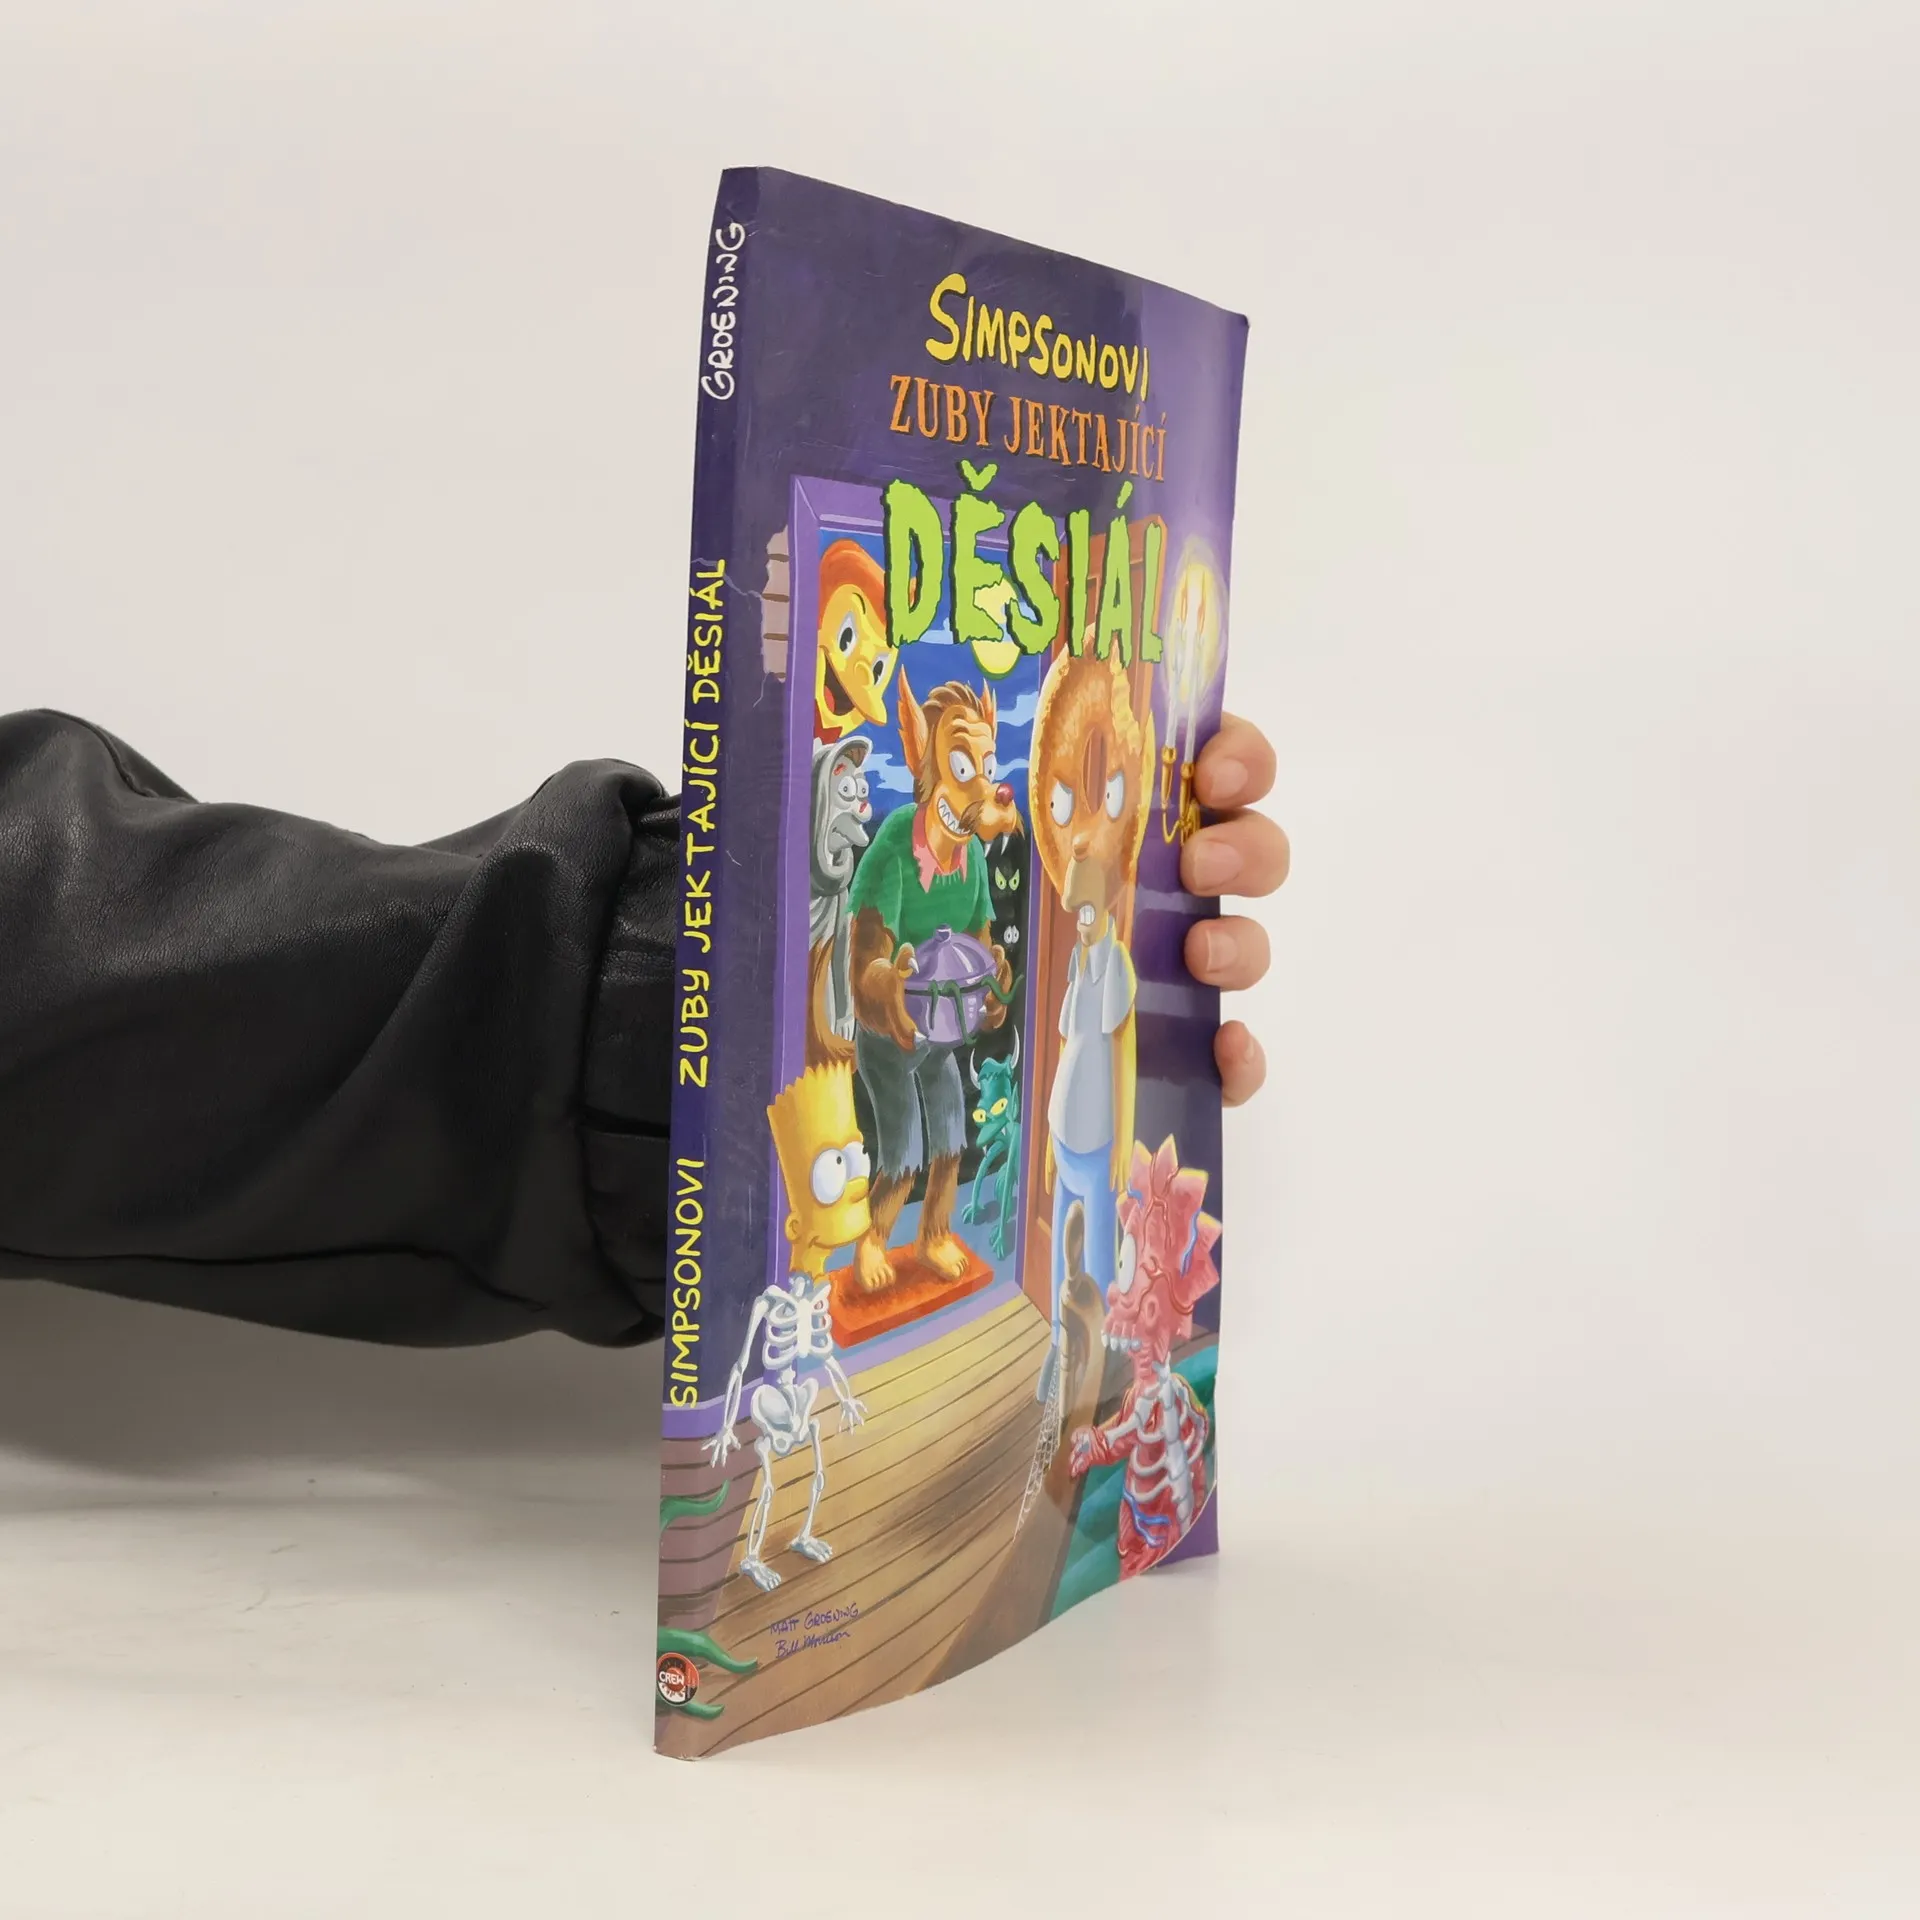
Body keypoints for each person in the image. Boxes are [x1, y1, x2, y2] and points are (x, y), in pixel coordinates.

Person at [0, 707, 1288, 1349]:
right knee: (918, 1138)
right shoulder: (896, 855)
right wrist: (688, 986)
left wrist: (1126, 920)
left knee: (951, 1141)